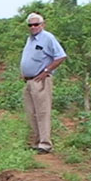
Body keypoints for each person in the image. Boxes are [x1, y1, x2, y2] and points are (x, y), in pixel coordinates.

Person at [20, 12, 67, 154]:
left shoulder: (48, 38)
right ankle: (36, 141)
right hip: (29, 81)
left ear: (42, 24)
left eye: (36, 24)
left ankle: (45, 144)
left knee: (42, 111)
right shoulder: (30, 39)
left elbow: (60, 56)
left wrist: (46, 71)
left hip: (41, 80)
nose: (33, 27)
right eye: (31, 25)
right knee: (31, 112)